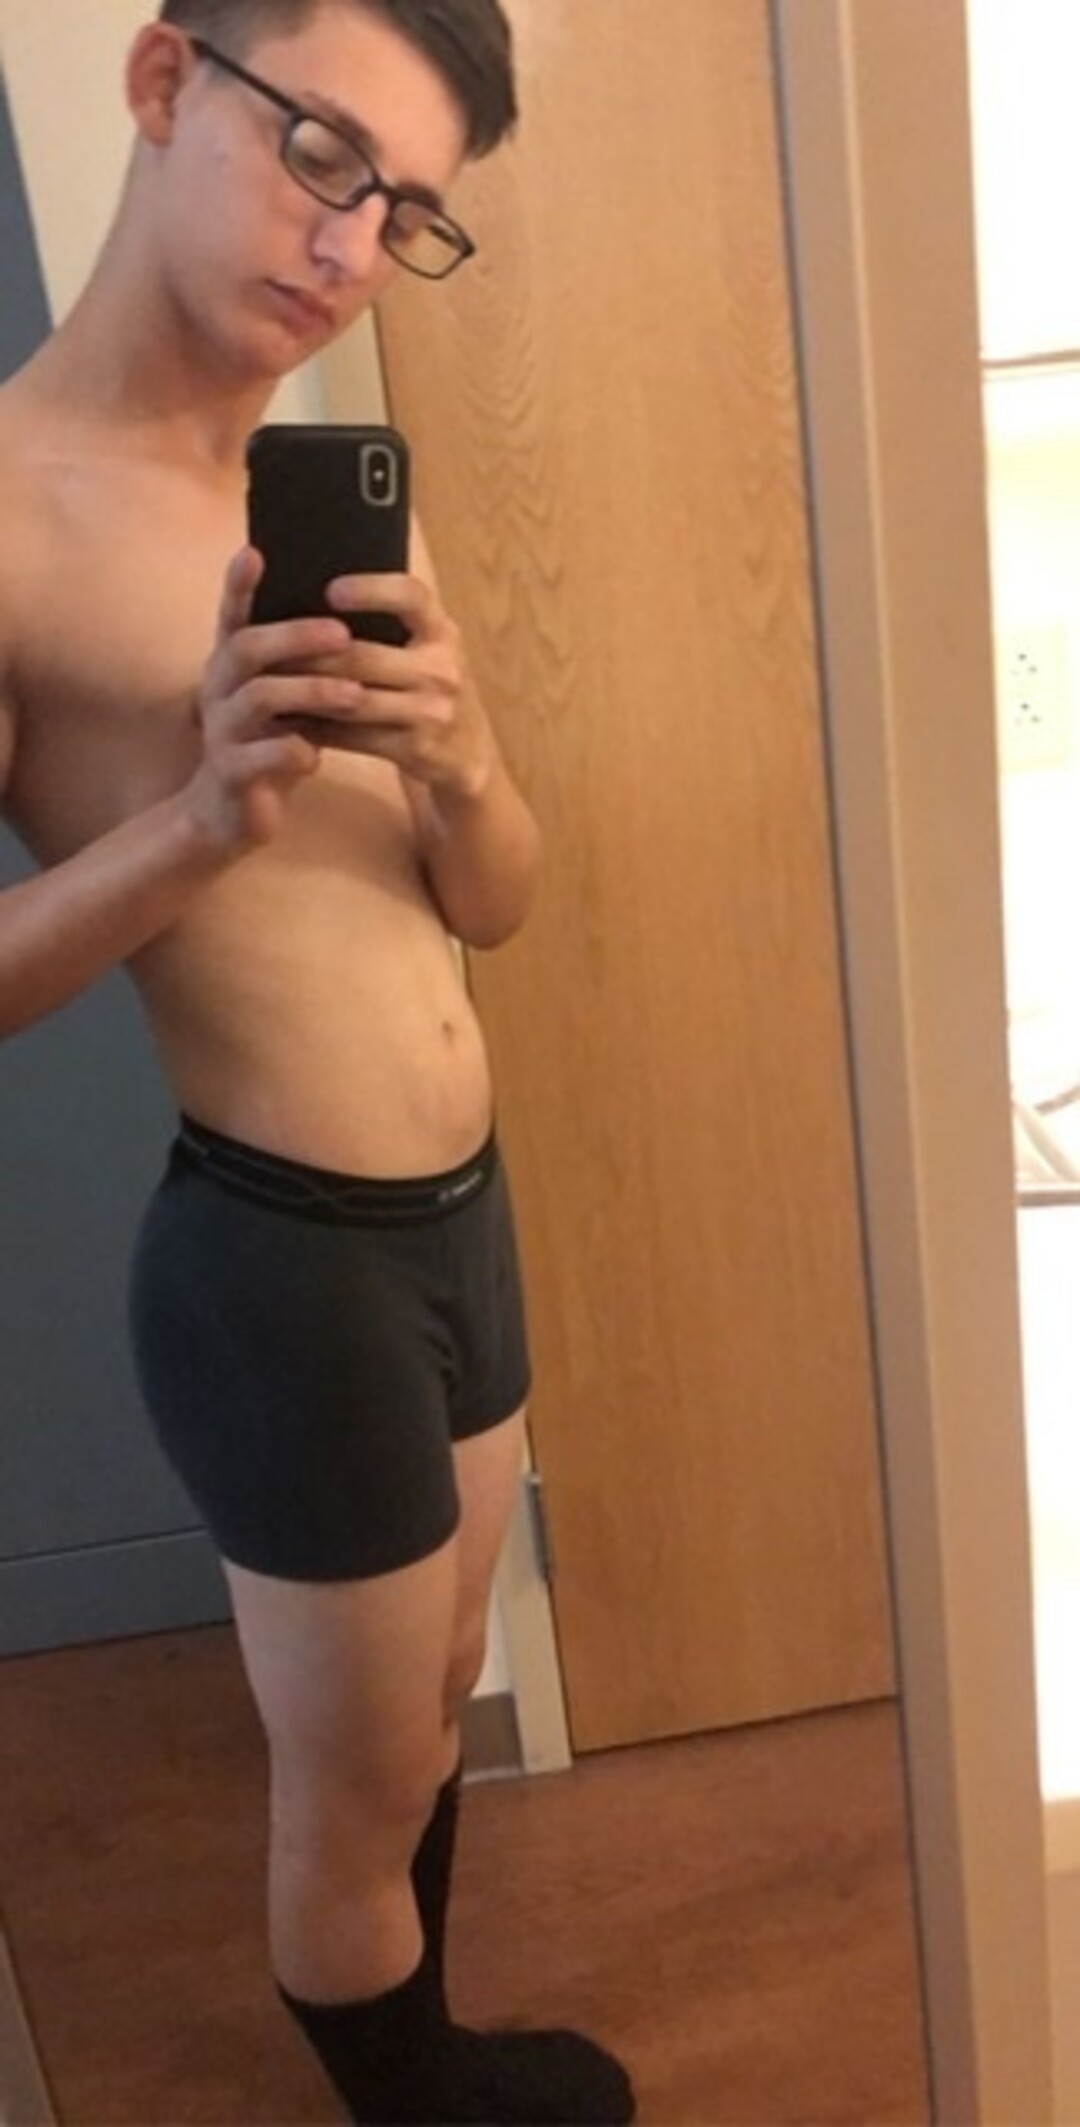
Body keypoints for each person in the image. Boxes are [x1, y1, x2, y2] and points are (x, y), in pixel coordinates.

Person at [0, 3, 635, 2120]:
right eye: (326, 156)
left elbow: (493, 906)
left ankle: (425, 2048)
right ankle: (411, 2100)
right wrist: (200, 817)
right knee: (350, 1783)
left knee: (436, 1693)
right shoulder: (10, 518)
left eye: (411, 211)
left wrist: (463, 760)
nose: (356, 244)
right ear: (166, 81)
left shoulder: (340, 496)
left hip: (463, 1215)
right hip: (283, 1260)